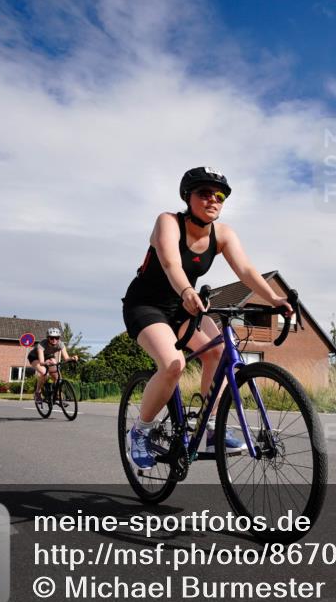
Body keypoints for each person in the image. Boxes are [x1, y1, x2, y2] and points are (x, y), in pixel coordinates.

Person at [121, 166, 293, 469]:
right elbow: (171, 262)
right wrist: (188, 290)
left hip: (185, 306)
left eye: (220, 196)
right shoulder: (169, 222)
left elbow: (247, 272)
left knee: (220, 352)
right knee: (173, 364)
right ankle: (141, 431)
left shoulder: (223, 234)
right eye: (204, 194)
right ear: (188, 197)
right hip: (146, 305)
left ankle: (213, 426)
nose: (213, 200)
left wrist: (276, 299)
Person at [28, 327, 78, 400]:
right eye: (52, 338)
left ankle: (58, 395)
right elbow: (41, 362)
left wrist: (72, 358)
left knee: (57, 377)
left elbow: (66, 358)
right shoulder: (41, 345)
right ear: (48, 338)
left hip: (48, 356)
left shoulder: (60, 344)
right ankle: (37, 393)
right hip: (35, 357)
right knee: (44, 372)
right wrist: (46, 363)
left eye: (57, 338)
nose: (54, 340)